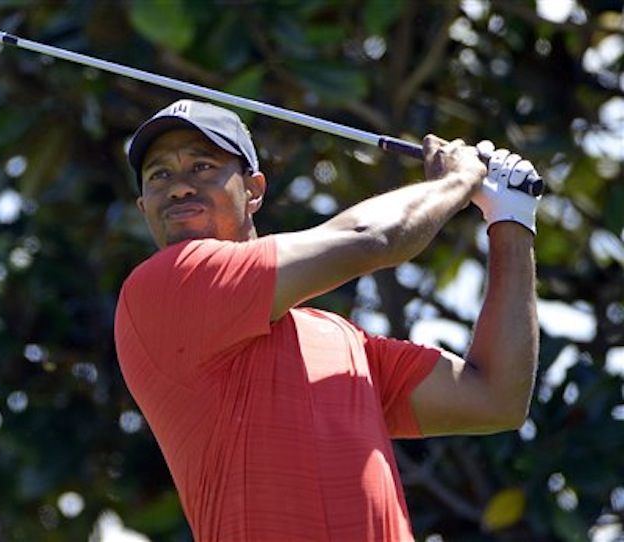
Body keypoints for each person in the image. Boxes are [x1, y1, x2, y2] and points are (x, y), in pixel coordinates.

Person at [114, 99, 540, 541]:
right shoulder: (165, 288)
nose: (180, 187)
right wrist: (457, 180)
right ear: (144, 207)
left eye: (202, 166)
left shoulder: (339, 338)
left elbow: (496, 398)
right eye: (160, 174)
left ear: (254, 190)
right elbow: (372, 238)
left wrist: (510, 220)